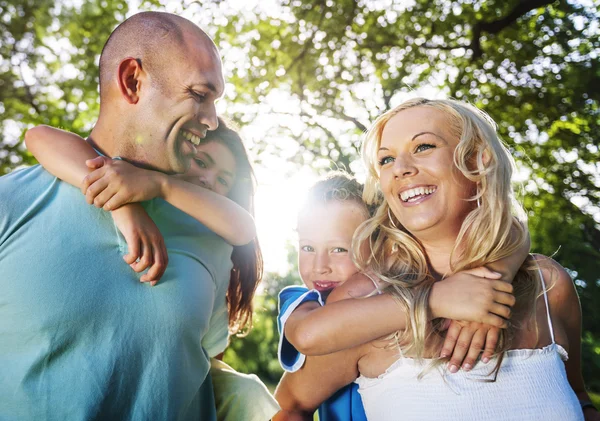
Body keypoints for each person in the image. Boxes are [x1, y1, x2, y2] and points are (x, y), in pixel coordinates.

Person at [274, 98, 595, 420]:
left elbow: (580, 399)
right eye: (386, 160)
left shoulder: (548, 284)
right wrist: (434, 299)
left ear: (478, 161)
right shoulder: (360, 301)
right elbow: (290, 407)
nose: (400, 168)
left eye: (424, 146)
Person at [0, 11, 231, 420]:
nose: (212, 120)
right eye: (199, 94)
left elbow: (210, 367)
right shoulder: (10, 203)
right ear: (133, 81)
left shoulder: (213, 237)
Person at [24, 118, 281, 421]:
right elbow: (39, 135)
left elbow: (244, 229)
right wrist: (122, 207)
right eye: (201, 162)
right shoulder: (131, 180)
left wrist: (163, 186)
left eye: (223, 180)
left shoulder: (213, 238)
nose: (209, 180)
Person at [276, 171, 527, 420]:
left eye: (339, 249)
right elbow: (308, 333)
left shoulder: (400, 282)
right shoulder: (304, 301)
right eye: (307, 247)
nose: (320, 265)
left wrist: (495, 278)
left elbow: (516, 227)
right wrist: (436, 300)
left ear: (380, 247)